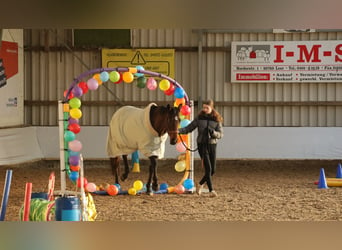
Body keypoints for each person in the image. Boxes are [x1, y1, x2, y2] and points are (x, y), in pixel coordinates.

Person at [178, 99, 223, 197]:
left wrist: (213, 133)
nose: (205, 109)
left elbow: (220, 134)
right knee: (208, 168)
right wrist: (179, 131)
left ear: (212, 108)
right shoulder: (199, 118)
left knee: (213, 170)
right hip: (202, 145)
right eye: (204, 107)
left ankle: (200, 184)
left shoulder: (216, 119)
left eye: (207, 107)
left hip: (212, 145)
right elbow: (189, 128)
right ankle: (211, 190)